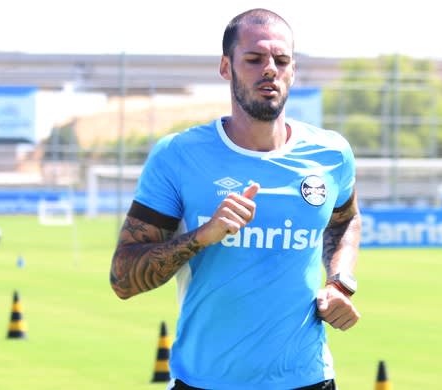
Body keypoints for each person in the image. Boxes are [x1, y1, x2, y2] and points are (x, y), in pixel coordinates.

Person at [109, 8, 362, 390]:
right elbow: (123, 278)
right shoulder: (178, 155)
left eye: (281, 60)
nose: (270, 70)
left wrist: (339, 283)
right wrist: (202, 236)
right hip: (205, 381)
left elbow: (346, 220)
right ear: (226, 67)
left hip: (309, 379)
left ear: (293, 70)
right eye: (254, 59)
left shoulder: (332, 153)